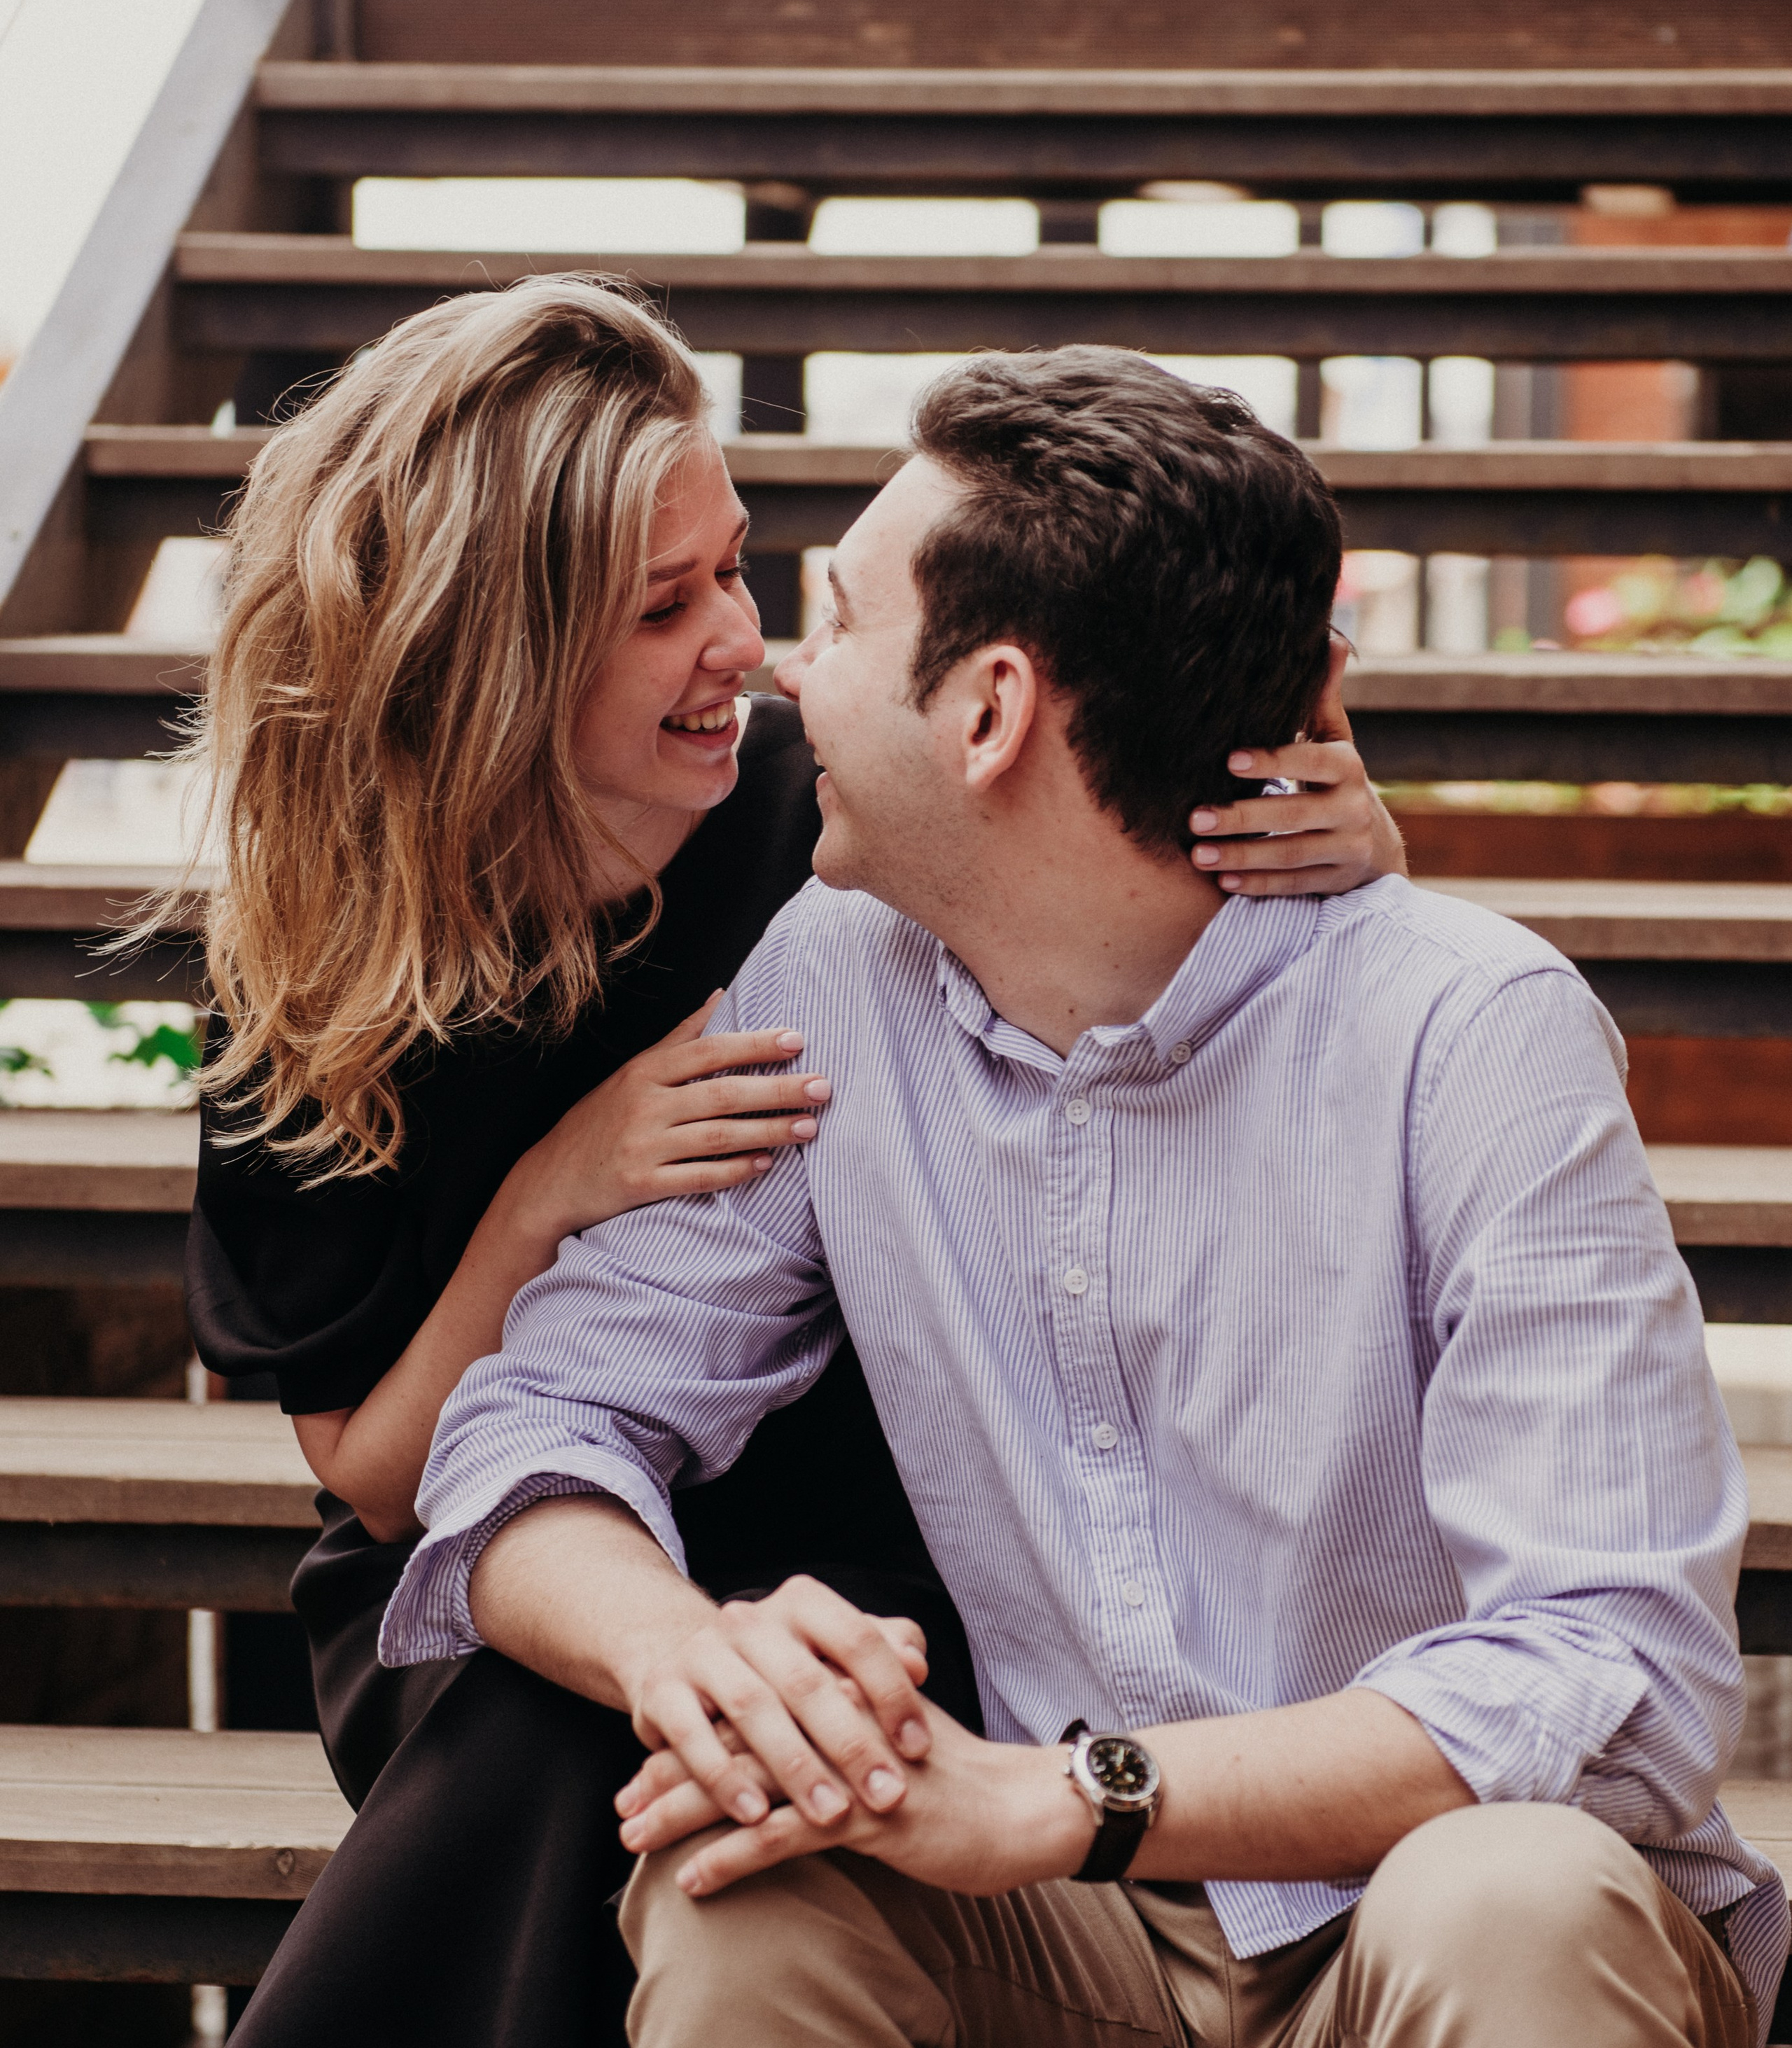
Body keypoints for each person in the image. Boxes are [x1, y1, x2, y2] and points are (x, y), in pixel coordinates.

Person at [387, 344, 1788, 2048]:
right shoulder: (835, 974)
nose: (783, 680)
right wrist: (689, 1654)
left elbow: (1614, 1674)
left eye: (838, 621)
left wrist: (1074, 1795)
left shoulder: (1465, 1033)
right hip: (1082, 1948)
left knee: (1505, 1892)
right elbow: (537, 1417)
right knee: (741, 1875)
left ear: (986, 712)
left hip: (1419, 1912)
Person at [181, 283, 1401, 2048]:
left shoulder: (821, 813)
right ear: (496, 659)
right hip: (490, 1533)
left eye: (738, 572)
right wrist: (554, 1190)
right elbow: (380, 1480)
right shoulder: (312, 961)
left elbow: (1116, 866)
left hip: (872, 1490)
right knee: (602, 1736)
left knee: (847, 1701)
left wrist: (1344, 834)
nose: (745, 648)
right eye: (662, 608)